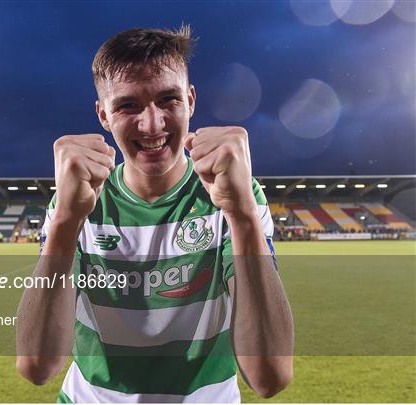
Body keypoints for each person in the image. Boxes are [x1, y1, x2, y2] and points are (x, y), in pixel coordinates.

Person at [16, 26, 293, 403]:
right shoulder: (76, 201)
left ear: (191, 100)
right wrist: (66, 221)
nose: (152, 124)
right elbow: (37, 366)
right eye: (128, 105)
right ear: (103, 115)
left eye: (168, 100)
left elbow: (270, 377)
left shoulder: (235, 194)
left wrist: (241, 212)